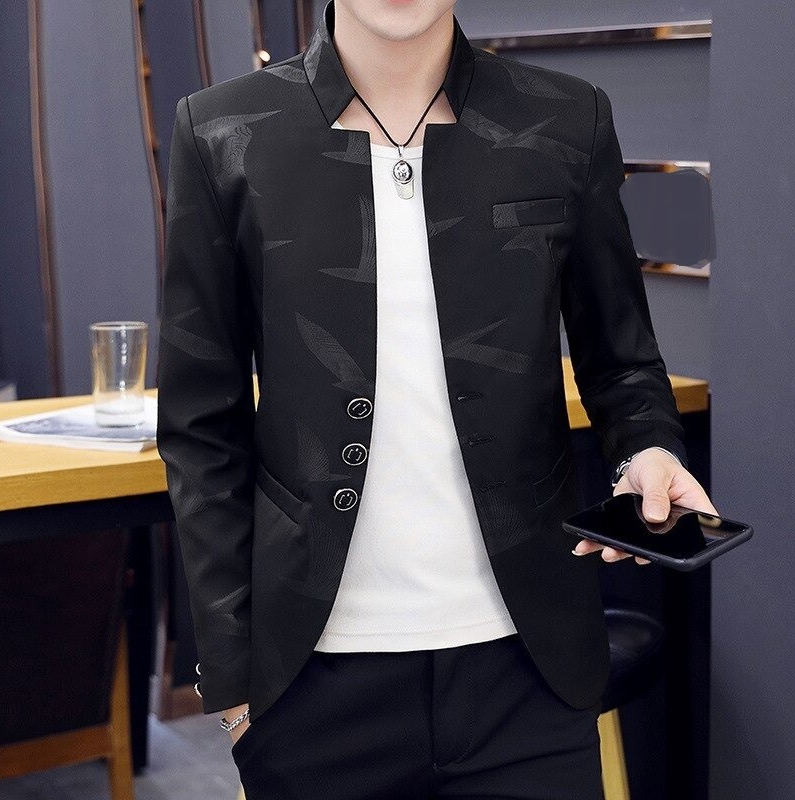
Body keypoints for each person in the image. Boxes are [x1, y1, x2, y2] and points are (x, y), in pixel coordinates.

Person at [156, 1, 718, 797]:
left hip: (529, 674)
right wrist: (234, 683)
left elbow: (623, 360)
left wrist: (648, 449)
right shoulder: (222, 131)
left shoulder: (567, 119)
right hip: (309, 687)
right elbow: (199, 424)